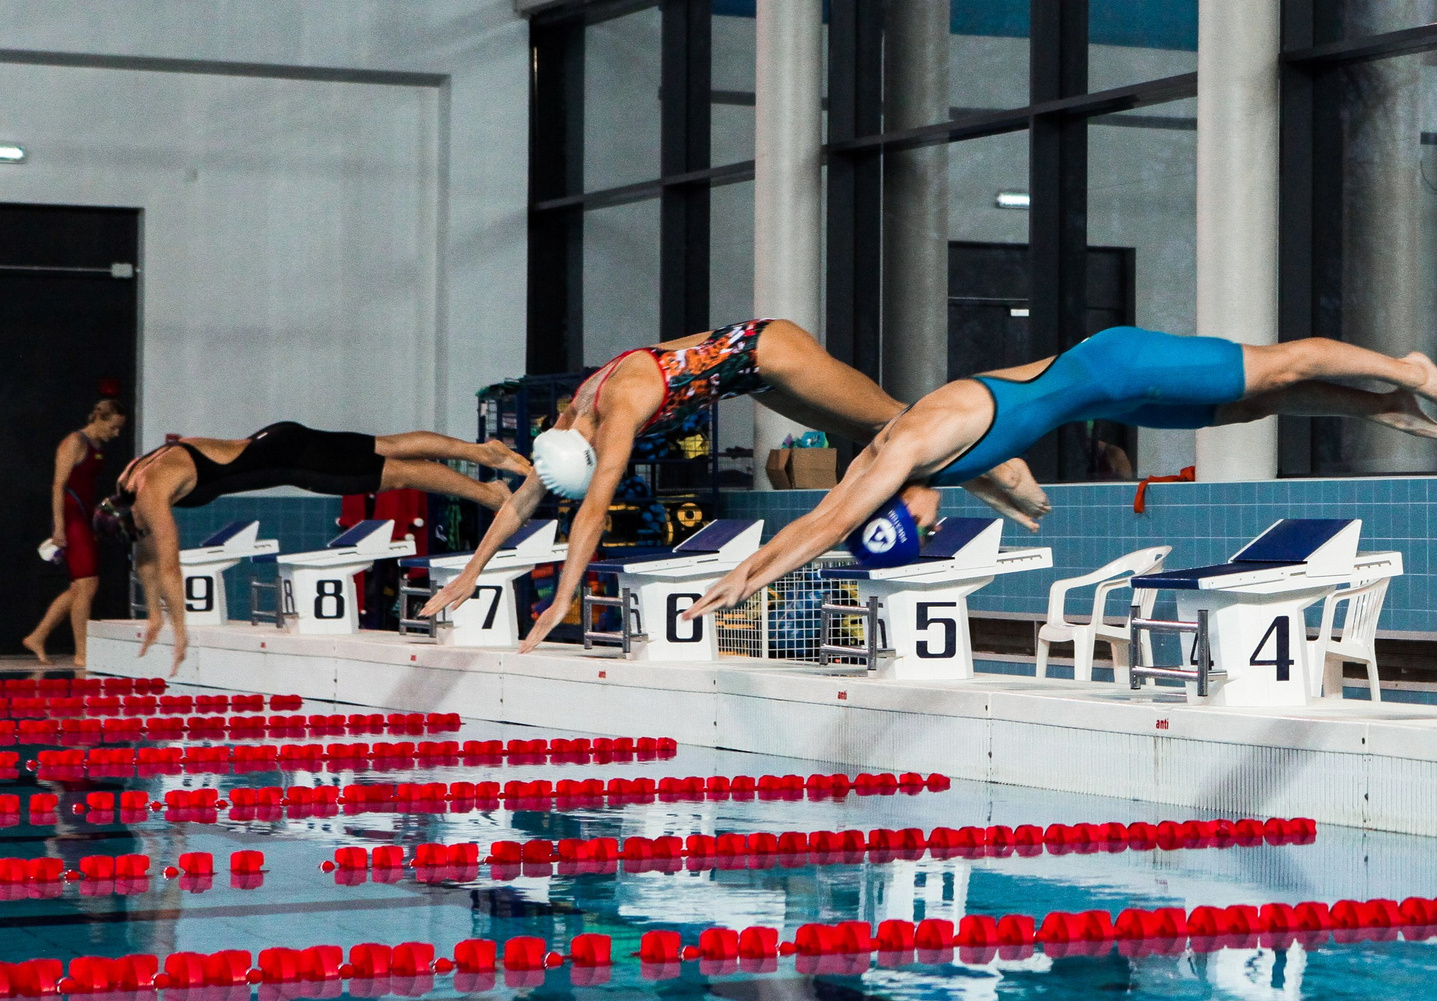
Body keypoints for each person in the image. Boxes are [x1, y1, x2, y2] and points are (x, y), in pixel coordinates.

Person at [681, 326, 1437, 622]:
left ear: (896, 501)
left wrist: (746, 576)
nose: (930, 525)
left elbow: (824, 525)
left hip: (1114, 361)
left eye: (915, 526)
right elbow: (1003, 466)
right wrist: (1018, 498)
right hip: (1116, 393)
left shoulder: (901, 453)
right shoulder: (931, 461)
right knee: (1251, 410)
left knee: (1277, 369)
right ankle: (1370, 407)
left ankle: (1407, 367)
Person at [422, 318, 1052, 650]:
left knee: (893, 420)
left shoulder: (616, 412)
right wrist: (471, 573)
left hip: (767, 350)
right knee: (879, 435)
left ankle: (998, 458)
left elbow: (590, 514)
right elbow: (526, 498)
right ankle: (975, 469)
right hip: (747, 376)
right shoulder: (570, 416)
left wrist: (562, 599)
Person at [101, 422, 528, 668]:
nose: (146, 531)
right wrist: (154, 617)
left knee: (399, 473)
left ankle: (490, 494)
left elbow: (168, 563)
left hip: (296, 461)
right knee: (390, 446)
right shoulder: (130, 478)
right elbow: (144, 552)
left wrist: (177, 629)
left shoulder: (151, 491)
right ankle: (482, 453)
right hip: (282, 440)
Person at [21, 396, 126, 666]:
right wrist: (59, 526)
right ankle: (82, 653)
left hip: (85, 517)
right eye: (113, 427)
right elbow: (58, 485)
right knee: (87, 584)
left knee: (79, 587)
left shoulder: (97, 445)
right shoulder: (74, 442)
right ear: (99, 419)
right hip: (71, 517)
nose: (116, 434)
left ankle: (37, 636)